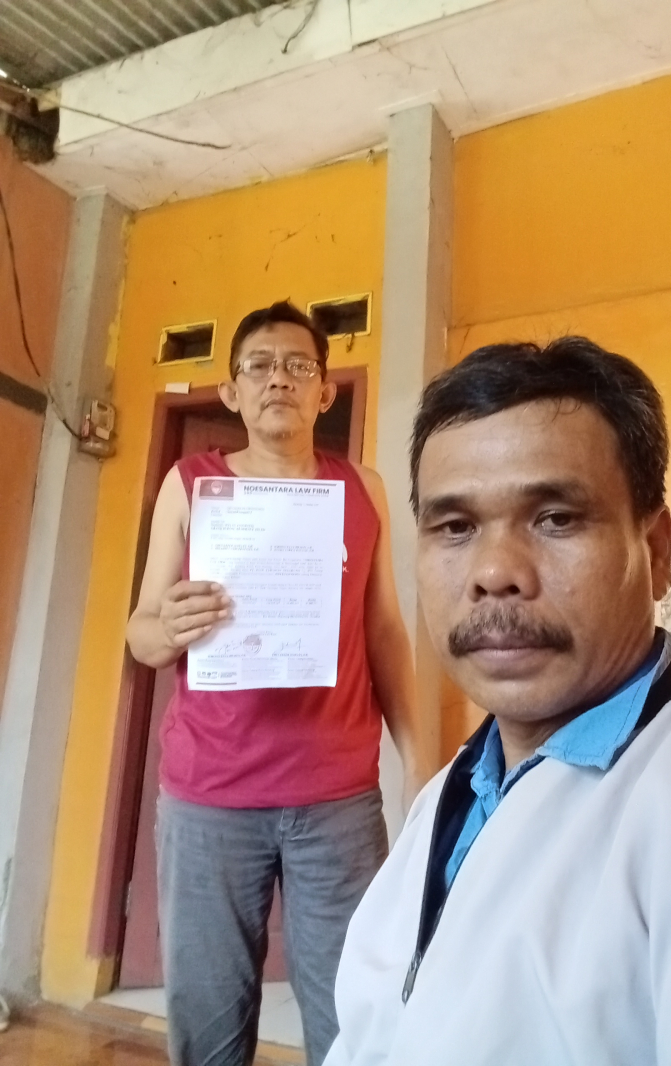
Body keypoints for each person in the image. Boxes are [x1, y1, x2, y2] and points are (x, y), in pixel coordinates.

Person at [323, 338, 671, 1066]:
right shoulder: (453, 794)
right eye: (455, 527)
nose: (494, 572)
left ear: (657, 550)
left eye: (556, 518)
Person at [127, 301, 426, 1066]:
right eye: (259, 366)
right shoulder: (190, 484)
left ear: (325, 391)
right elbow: (142, 634)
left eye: (298, 365)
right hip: (209, 797)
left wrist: (422, 767)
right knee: (208, 1020)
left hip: (338, 801)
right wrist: (172, 626)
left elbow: (385, 633)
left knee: (352, 1017)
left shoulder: (364, 489)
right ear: (232, 392)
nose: (279, 380)